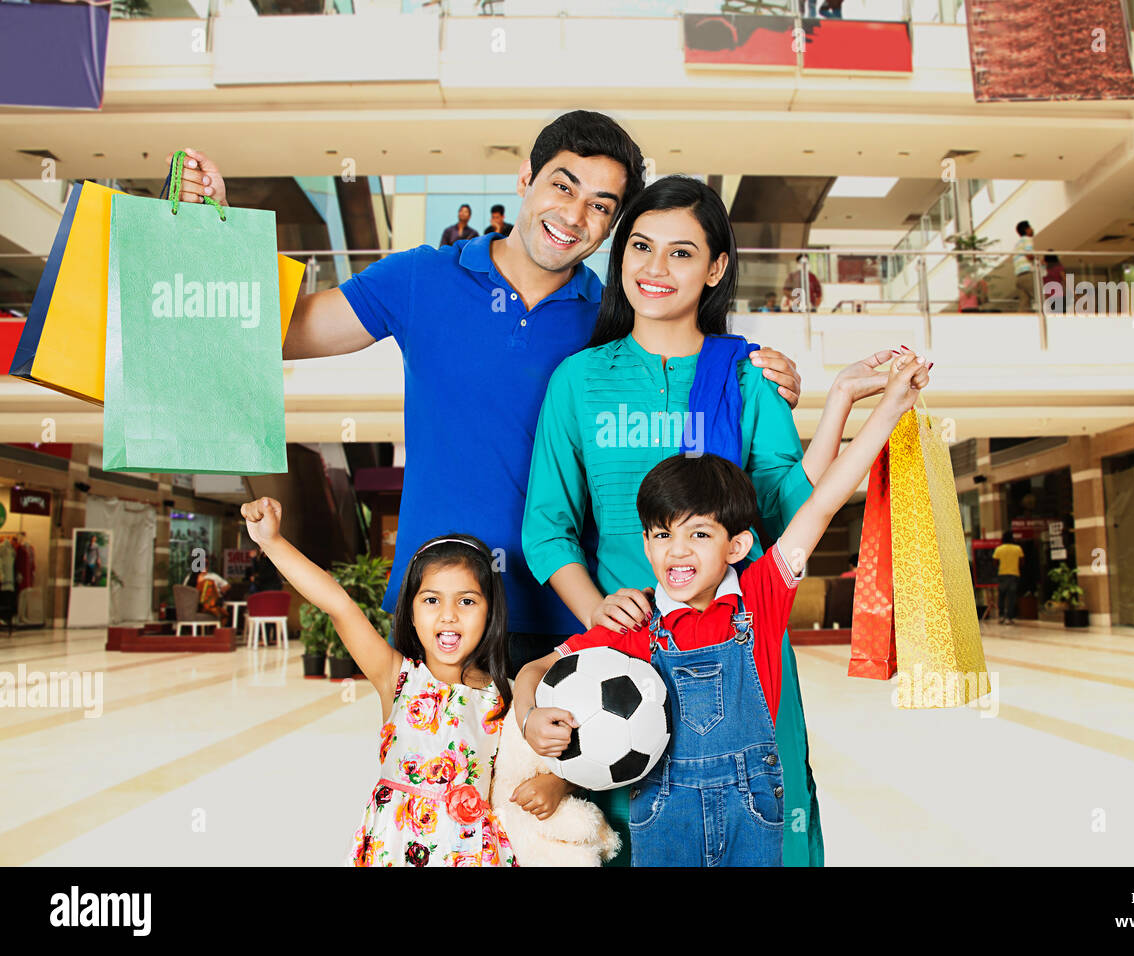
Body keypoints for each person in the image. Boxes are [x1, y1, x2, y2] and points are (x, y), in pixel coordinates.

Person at [170, 112, 802, 674]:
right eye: (562, 185)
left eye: (602, 206)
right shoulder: (421, 278)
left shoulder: (611, 316)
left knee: (553, 808)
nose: (574, 217)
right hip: (442, 612)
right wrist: (214, 238)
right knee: (435, 802)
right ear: (525, 180)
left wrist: (762, 380)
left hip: (570, 620)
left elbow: (695, 384)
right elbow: (281, 333)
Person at [522, 174, 905, 867]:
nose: (654, 269)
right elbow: (546, 528)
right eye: (640, 246)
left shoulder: (747, 376)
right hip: (622, 673)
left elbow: (793, 503)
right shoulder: (577, 382)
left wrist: (843, 397)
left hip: (745, 661)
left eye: (681, 253)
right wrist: (600, 611)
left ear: (717, 267)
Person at [240, 496, 562, 866]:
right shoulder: (398, 676)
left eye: (467, 602)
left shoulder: (506, 692)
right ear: (409, 612)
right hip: (392, 846)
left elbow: (560, 754)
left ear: (490, 614)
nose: (448, 616)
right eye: (431, 600)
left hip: (471, 853)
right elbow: (337, 604)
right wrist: (271, 542)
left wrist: (556, 784)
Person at [993, 530, 1024, 625]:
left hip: (1002, 574)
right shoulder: (1017, 549)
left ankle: (1001, 616)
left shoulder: (999, 549)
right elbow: (1022, 562)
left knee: (1001, 596)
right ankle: (1009, 617)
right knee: (1011, 597)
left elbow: (995, 562)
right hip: (1014, 574)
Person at [1013, 220, 1036, 311]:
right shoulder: (1027, 239)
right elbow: (1029, 255)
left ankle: (1022, 321)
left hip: (1019, 276)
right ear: (1026, 230)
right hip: (1027, 274)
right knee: (1040, 297)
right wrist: (1036, 259)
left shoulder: (1017, 244)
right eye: (1030, 228)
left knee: (1024, 303)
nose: (1032, 229)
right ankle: (1050, 318)